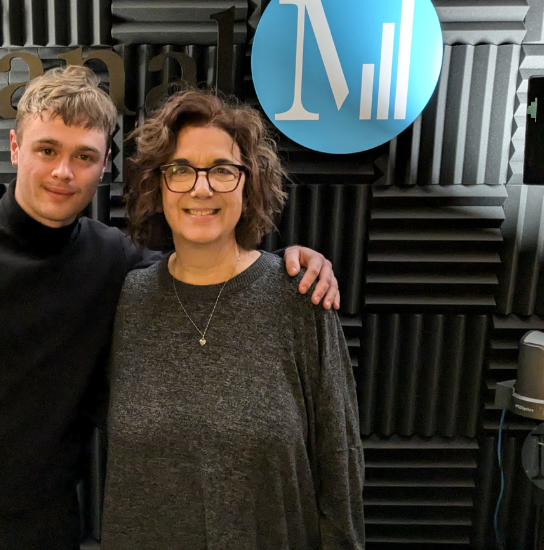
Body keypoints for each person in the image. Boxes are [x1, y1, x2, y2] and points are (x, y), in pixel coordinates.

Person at [0, 66, 340, 550]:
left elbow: (208, 266)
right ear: (15, 148)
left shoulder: (115, 260)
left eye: (83, 156)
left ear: (104, 164)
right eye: (47, 150)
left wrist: (292, 262)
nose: (63, 172)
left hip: (51, 530)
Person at [101, 89, 364, 549]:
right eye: (180, 170)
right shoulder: (129, 302)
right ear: (157, 185)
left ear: (249, 183)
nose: (201, 188)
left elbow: (339, 461)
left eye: (222, 170)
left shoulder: (299, 297)